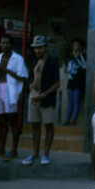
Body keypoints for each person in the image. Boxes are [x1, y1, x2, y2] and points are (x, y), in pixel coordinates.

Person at [0, 35, 28, 162]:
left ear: (11, 45)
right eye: (3, 43)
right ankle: (1, 148)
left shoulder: (18, 59)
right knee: (1, 121)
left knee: (12, 120)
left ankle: (13, 149)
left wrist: (5, 69)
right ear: (0, 44)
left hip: (11, 90)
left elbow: (23, 77)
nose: (5, 45)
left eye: (8, 43)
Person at [22, 36, 60, 166]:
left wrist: (43, 94)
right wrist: (31, 86)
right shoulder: (34, 61)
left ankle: (45, 154)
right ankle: (34, 154)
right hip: (34, 96)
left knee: (48, 125)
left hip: (46, 97)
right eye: (36, 48)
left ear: (45, 48)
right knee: (35, 125)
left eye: (40, 47)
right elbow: (33, 77)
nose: (37, 50)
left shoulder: (52, 62)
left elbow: (56, 84)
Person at [64, 38, 86, 125]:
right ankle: (67, 119)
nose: (74, 46)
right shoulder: (71, 57)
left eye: (76, 45)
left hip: (79, 82)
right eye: (73, 45)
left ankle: (74, 120)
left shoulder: (83, 56)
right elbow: (68, 68)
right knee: (70, 101)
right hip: (71, 81)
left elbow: (84, 66)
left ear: (80, 47)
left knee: (76, 100)